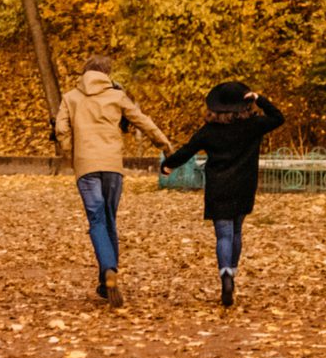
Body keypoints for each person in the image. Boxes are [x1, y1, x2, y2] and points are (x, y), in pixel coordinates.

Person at [55, 55, 174, 308]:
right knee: (109, 218)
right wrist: (164, 144)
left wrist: (70, 153)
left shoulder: (70, 97)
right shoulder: (117, 96)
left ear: (85, 73)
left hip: (86, 166)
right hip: (112, 166)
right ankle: (107, 279)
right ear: (107, 73)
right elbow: (142, 120)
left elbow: (61, 129)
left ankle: (108, 270)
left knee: (97, 219)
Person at [161, 81, 285, 307]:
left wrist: (168, 165)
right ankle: (233, 274)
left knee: (223, 235)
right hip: (244, 185)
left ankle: (225, 274)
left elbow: (186, 151)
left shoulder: (209, 131)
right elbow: (278, 118)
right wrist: (259, 98)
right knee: (237, 231)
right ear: (244, 105)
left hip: (219, 187)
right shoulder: (253, 126)